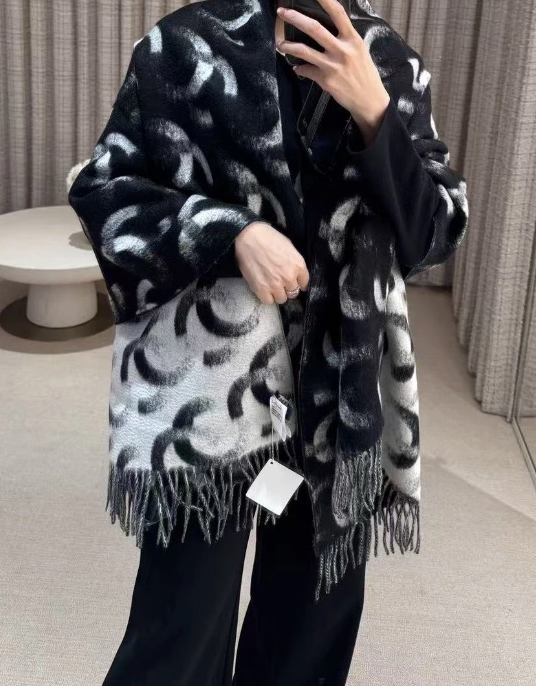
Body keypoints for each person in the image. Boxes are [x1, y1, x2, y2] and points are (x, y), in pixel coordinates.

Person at [68, 0, 468, 684]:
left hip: (339, 394)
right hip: (209, 398)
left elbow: (433, 232)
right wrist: (230, 232)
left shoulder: (387, 62)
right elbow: (106, 193)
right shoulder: (183, 45)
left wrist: (374, 113)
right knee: (182, 621)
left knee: (310, 626)